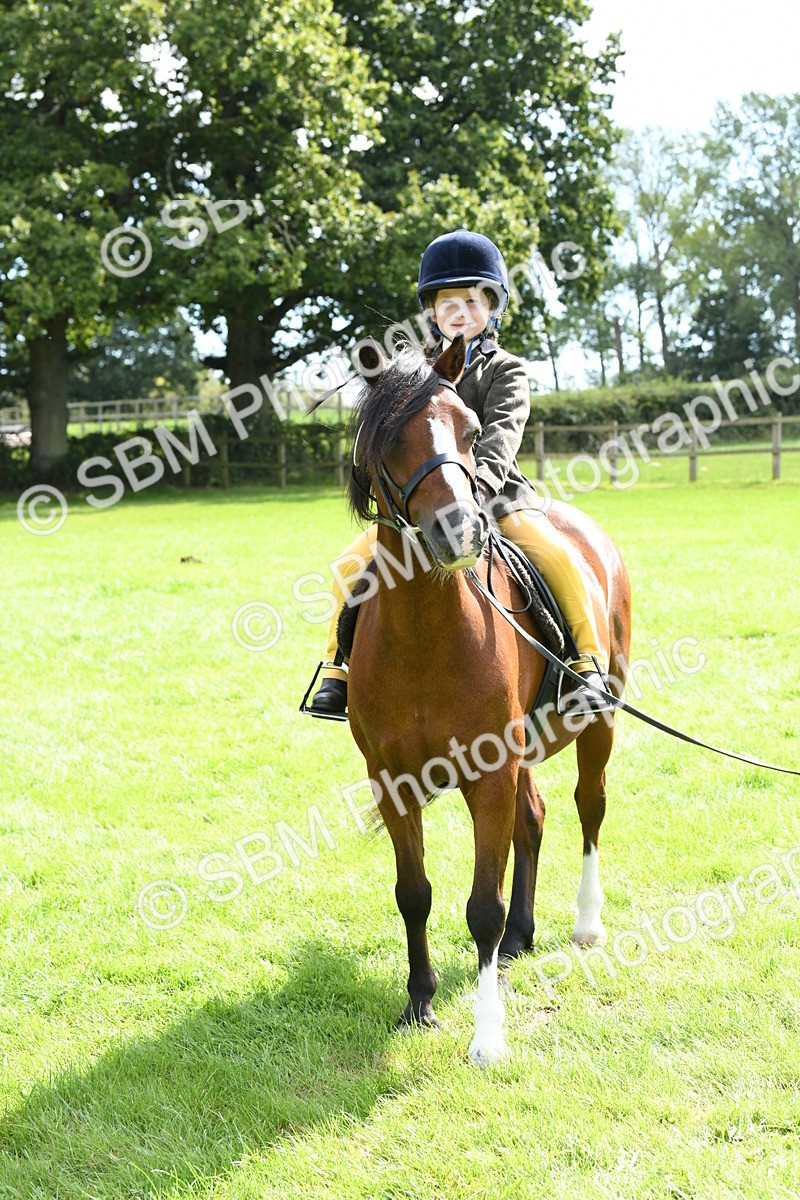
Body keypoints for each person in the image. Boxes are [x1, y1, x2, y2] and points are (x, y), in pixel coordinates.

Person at [306, 228, 612, 718]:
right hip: (421, 507)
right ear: (431, 311)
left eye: (473, 301)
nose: (461, 313)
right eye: (449, 303)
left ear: (493, 307)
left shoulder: (507, 369)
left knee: (558, 554)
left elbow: (502, 437)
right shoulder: (410, 373)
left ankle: (588, 662)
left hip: (498, 497)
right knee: (348, 565)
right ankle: (336, 670)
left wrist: (473, 492)